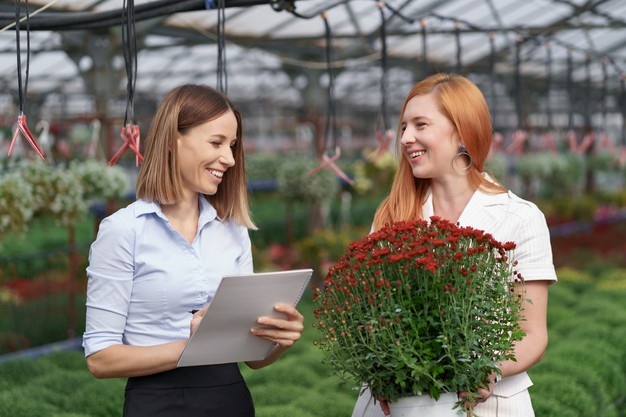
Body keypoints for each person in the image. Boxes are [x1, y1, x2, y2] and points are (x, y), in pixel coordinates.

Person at [82, 84, 304, 417]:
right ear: (174, 140)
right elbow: (100, 358)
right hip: (158, 404)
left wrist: (278, 341)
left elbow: (252, 360)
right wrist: (196, 347)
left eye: (232, 146)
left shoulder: (233, 229)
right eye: (216, 143)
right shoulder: (124, 230)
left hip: (230, 400)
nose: (228, 159)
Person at [351, 73, 557, 417]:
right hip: (399, 404)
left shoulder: (519, 217)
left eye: (420, 125)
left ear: (462, 131)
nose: (405, 138)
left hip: (491, 404)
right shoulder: (393, 214)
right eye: (403, 127)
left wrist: (490, 368)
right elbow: (371, 319)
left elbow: (533, 334)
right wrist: (379, 371)